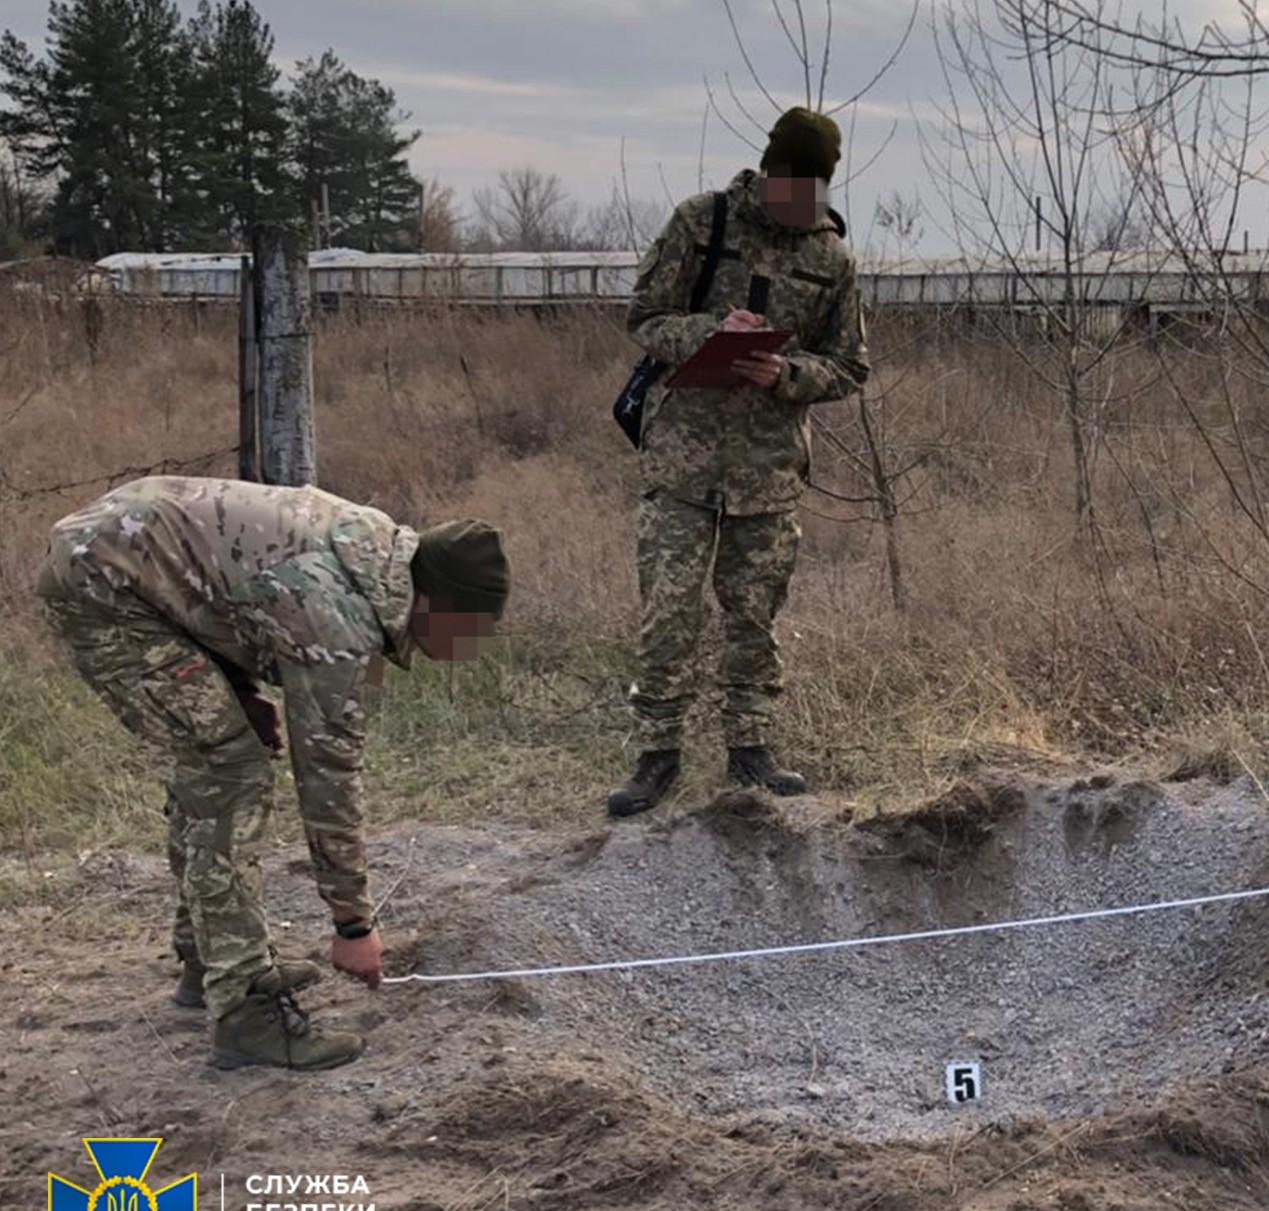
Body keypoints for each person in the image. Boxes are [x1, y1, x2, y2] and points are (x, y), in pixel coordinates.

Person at [36, 476, 509, 1070]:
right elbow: (328, 777)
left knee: (216, 765)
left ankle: (207, 957)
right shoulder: (341, 615)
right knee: (229, 779)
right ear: (436, 602)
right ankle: (245, 1014)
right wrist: (354, 925)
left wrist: (235, 688)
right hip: (103, 585)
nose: (474, 646)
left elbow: (223, 586)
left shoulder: (371, 555)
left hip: (124, 561)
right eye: (474, 628)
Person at [608, 105, 871, 818]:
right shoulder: (703, 224)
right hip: (683, 461)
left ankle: (751, 749)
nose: (800, 202)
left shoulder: (832, 259)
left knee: (754, 616)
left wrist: (785, 375)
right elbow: (644, 317)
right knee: (668, 614)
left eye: (814, 191)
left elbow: (850, 366)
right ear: (770, 171)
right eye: (792, 186)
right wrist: (710, 335)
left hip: (769, 470)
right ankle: (656, 756)